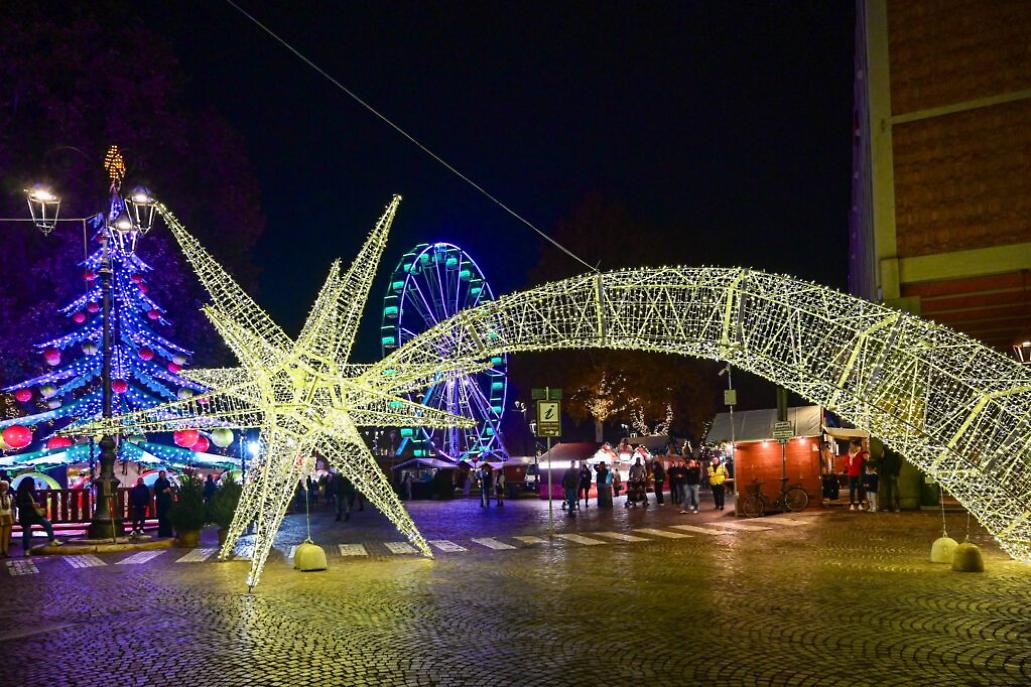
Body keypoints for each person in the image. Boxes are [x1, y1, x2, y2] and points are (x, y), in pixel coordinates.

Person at [15, 478, 60, 553]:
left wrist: (38, 503)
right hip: (25, 516)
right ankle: (26, 549)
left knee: (47, 523)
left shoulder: (33, 491)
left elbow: (38, 500)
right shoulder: (21, 493)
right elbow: (19, 504)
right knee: (26, 531)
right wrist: (31, 505)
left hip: (35, 514)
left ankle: (52, 540)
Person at [844, 437, 866, 511]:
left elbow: (863, 463)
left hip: (859, 474)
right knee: (852, 490)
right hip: (851, 474)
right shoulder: (848, 454)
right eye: (850, 445)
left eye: (852, 445)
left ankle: (860, 504)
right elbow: (846, 463)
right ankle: (852, 504)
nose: (851, 446)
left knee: (860, 489)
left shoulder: (860, 454)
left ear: (856, 446)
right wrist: (847, 466)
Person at [153, 470, 174, 537]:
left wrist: (169, 491)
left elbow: (169, 490)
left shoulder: (167, 481)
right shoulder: (157, 482)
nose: (162, 476)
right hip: (161, 502)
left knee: (168, 518)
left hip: (167, 502)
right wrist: (163, 491)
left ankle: (168, 533)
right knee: (162, 518)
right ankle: (162, 533)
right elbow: (156, 490)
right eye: (161, 474)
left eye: (163, 474)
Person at [0, 480, 13, 557]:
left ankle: (5, 551)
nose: (4, 487)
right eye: (2, 486)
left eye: (6, 486)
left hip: (8, 516)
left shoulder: (9, 496)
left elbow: (12, 507)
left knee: (6, 535)